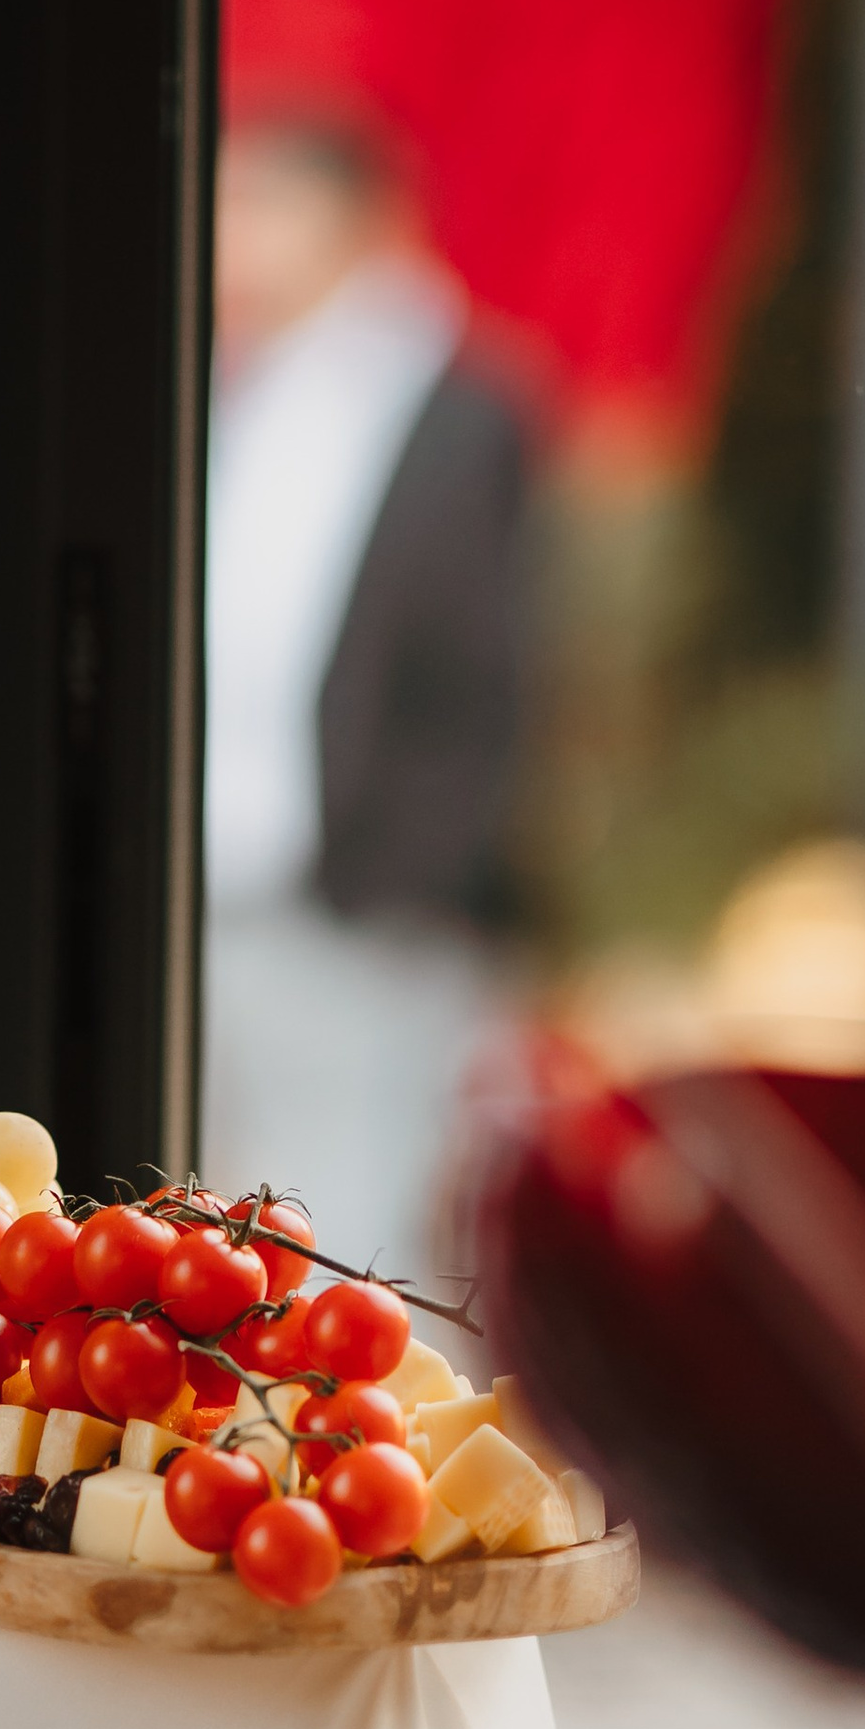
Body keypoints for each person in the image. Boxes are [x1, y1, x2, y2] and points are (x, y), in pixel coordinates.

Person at [200, 115, 533, 1285]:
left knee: (350, 1228)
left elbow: (489, 663)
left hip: (364, 898)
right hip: (223, 892)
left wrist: (418, 868)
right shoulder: (242, 392)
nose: (229, 239)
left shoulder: (461, 406)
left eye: (255, 205)